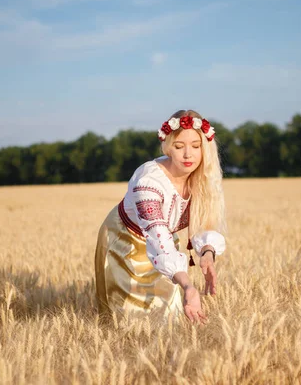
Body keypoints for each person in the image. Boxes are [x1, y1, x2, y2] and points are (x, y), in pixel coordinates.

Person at [94, 109, 227, 323]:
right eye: (178, 146)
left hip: (164, 240)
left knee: (169, 317)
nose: (188, 154)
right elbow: (159, 239)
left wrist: (208, 254)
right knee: (128, 321)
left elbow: (205, 221)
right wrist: (188, 286)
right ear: (167, 147)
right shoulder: (149, 182)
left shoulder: (204, 177)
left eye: (195, 146)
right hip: (125, 242)